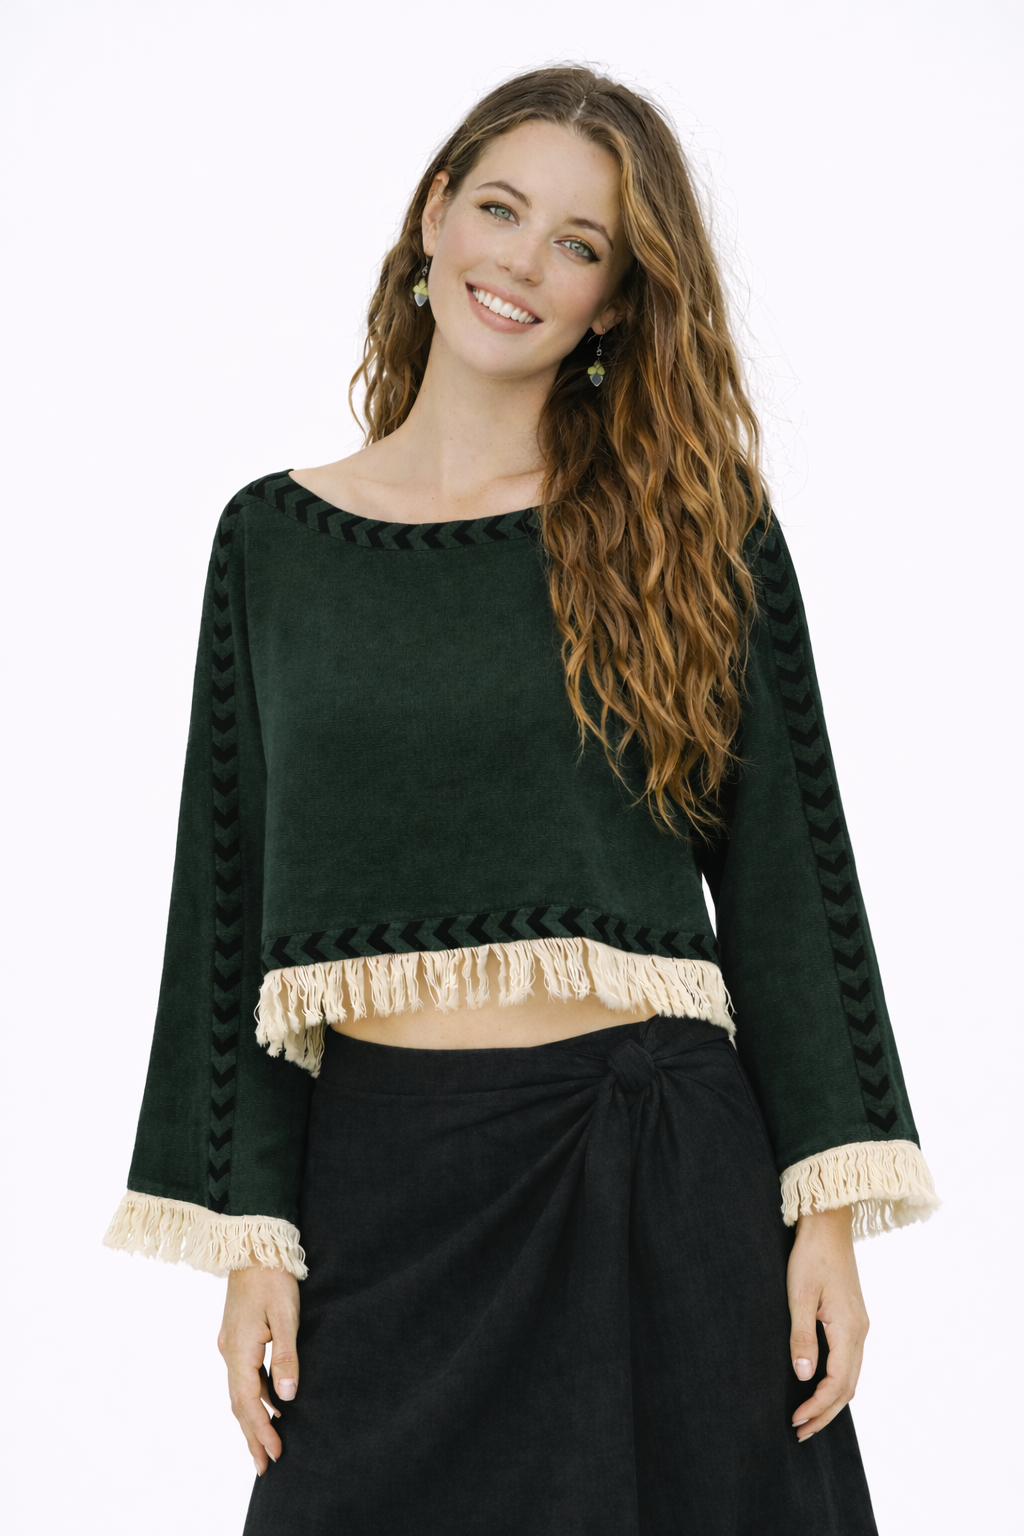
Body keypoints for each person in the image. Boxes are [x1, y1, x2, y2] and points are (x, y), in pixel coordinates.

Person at [105, 66, 938, 1535]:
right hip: (382, 1187)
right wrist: (254, 1238)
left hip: (652, 1168)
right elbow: (228, 908)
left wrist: (824, 1215)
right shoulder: (273, 544)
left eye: (580, 244)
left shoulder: (695, 527)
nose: (524, 264)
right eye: (499, 208)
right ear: (434, 216)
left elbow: (788, 878)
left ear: (614, 302)